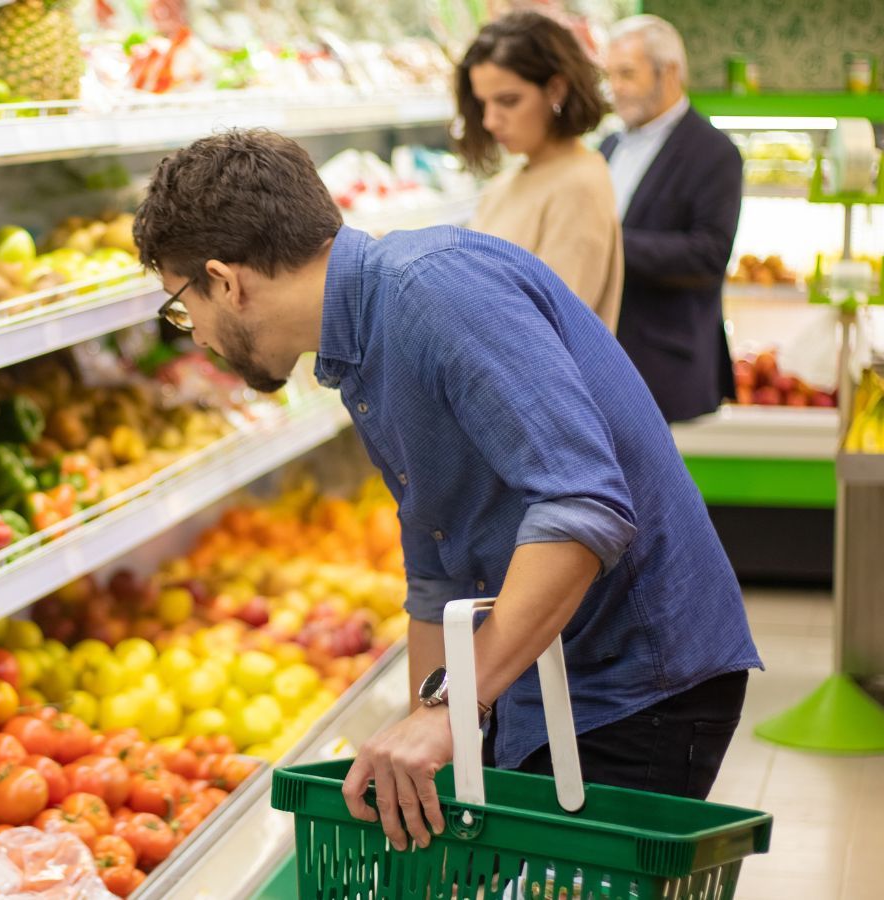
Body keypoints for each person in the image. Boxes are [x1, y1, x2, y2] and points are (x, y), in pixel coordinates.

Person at [132, 129, 760, 851]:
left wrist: (453, 711)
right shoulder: (357, 347)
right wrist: (421, 734)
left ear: (226, 280)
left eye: (183, 307)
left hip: (635, 680)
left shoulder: (433, 291)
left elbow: (584, 508)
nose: (196, 336)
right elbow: (439, 571)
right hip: (544, 673)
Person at [602, 15, 743, 422]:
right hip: (608, 359)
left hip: (666, 369)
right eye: (610, 75)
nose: (615, 89)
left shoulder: (714, 152)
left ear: (670, 73)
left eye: (627, 74)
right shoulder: (609, 143)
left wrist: (605, 244)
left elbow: (709, 255)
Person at [459, 10, 624, 330]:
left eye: (508, 101)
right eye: (483, 104)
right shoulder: (507, 183)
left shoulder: (579, 185)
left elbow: (546, 329)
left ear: (556, 90)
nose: (490, 121)